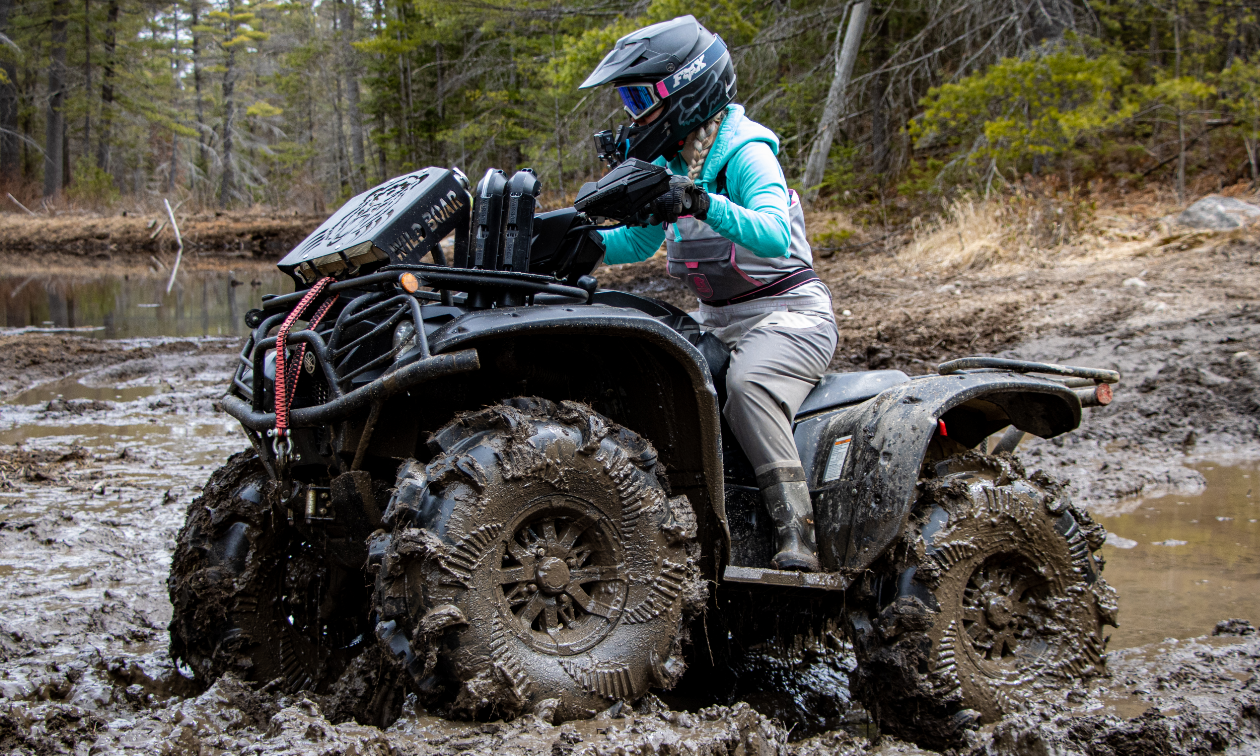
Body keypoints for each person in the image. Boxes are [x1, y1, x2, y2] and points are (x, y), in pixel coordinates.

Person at [581, 15, 838, 572]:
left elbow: (772, 233)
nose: (633, 113)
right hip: (720, 319)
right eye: (627, 99)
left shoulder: (746, 151)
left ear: (686, 88)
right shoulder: (671, 161)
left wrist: (702, 203)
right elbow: (639, 240)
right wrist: (581, 243)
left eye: (640, 97)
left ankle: (796, 528)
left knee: (748, 387)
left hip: (790, 316)